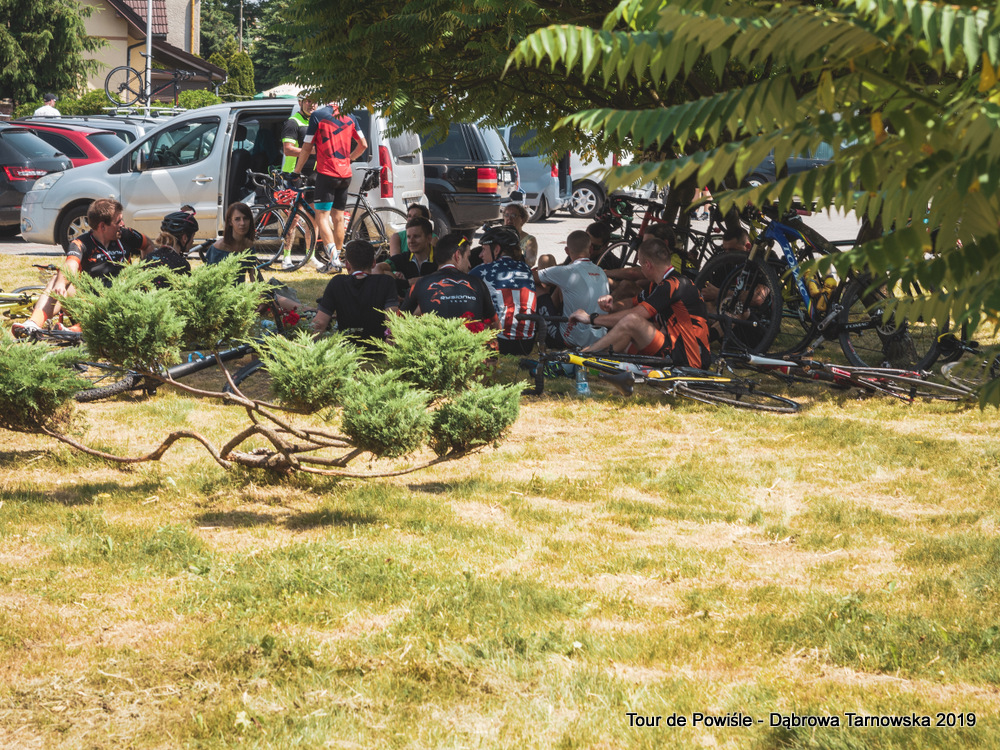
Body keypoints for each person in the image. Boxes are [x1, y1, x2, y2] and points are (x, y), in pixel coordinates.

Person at [13, 199, 151, 338]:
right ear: (102, 226)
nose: (122, 224)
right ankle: (33, 325)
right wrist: (61, 284)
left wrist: (145, 271)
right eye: (118, 221)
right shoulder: (80, 243)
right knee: (57, 279)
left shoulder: (126, 235)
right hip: (88, 303)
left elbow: (148, 245)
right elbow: (70, 265)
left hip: (122, 301)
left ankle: (73, 331)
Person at [566, 237, 711, 368]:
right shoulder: (660, 284)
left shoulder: (673, 285)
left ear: (647, 265)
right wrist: (612, 306)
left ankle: (582, 356)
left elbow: (637, 314)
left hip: (689, 358)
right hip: (675, 348)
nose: (640, 269)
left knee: (632, 321)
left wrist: (591, 318)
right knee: (623, 339)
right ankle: (585, 362)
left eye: (640, 265)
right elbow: (632, 302)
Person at [292, 102, 368, 272]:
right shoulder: (351, 116)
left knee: (322, 217)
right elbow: (363, 145)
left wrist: (296, 171)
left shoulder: (317, 116)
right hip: (345, 174)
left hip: (326, 173)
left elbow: (306, 147)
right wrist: (349, 159)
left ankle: (334, 262)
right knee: (338, 218)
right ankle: (337, 260)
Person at [204, 202, 301, 313]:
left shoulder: (248, 245)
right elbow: (210, 284)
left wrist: (262, 297)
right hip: (222, 300)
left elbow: (254, 276)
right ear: (230, 222)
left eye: (245, 219)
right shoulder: (218, 248)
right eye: (237, 219)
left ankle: (307, 310)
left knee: (272, 296)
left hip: (241, 294)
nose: (242, 223)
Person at [312, 239, 399, 345]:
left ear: (347, 265)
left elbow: (320, 323)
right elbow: (391, 318)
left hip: (346, 347)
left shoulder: (337, 282)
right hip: (378, 346)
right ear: (373, 263)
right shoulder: (386, 282)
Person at [400, 233, 496, 327]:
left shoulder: (420, 284)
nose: (469, 265)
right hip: (470, 337)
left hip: (433, 337)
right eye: (468, 257)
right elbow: (495, 325)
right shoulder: (478, 283)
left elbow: (397, 321)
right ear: (458, 255)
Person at [534, 230, 609, 349]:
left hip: (570, 340)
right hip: (599, 338)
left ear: (567, 251)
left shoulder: (567, 271)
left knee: (538, 289)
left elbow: (529, 277)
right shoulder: (601, 271)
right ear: (590, 249)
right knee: (563, 287)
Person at [468, 225, 536, 354]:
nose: (480, 255)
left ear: (496, 249)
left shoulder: (481, 270)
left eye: (484, 249)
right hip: (527, 343)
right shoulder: (526, 268)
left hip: (499, 343)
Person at [376, 217, 437, 291]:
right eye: (408, 237)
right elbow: (376, 269)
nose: (411, 241)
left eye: (416, 236)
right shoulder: (404, 257)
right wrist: (406, 283)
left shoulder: (441, 257)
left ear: (429, 238)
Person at [144, 211, 197, 287]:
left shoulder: (149, 257)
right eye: (192, 237)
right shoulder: (181, 264)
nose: (193, 241)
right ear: (185, 238)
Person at [502, 203, 539, 267]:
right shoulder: (497, 236)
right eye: (506, 215)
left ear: (522, 219)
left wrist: (517, 256)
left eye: (513, 215)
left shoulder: (529, 240)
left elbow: (531, 262)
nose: (509, 219)